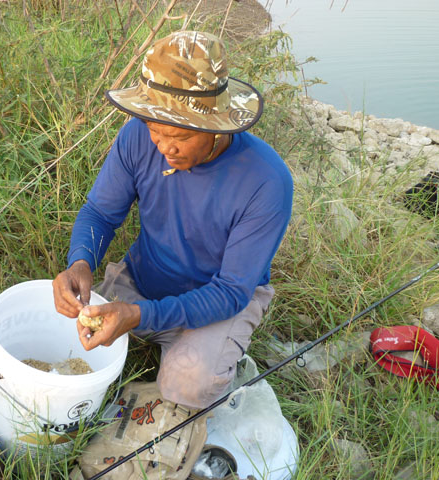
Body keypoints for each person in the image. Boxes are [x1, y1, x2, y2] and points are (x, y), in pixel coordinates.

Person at [52, 31, 293, 409]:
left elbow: (231, 290)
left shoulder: (266, 181)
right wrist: (80, 261)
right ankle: (152, 329)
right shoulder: (137, 137)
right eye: (155, 129)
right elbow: (100, 213)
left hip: (220, 300)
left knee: (186, 385)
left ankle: (205, 350)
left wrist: (138, 315)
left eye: (178, 134)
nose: (164, 147)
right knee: (64, 331)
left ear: (215, 125)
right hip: (144, 279)